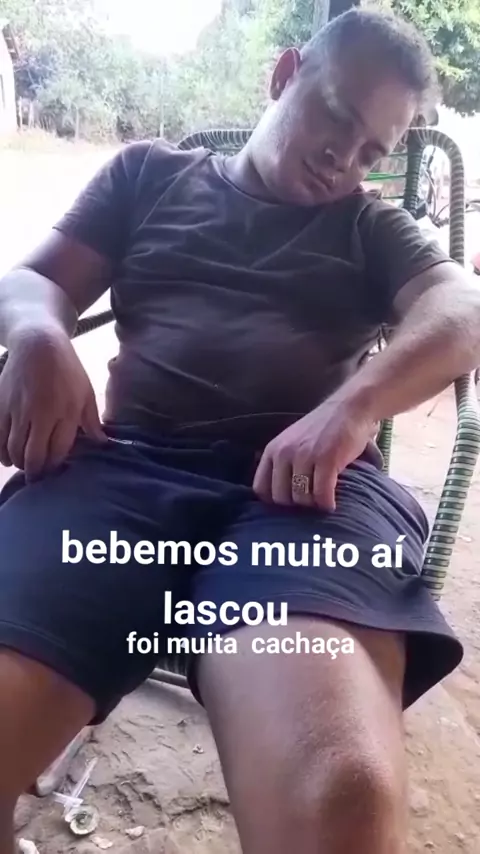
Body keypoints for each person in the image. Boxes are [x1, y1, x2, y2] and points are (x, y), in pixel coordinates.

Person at [0, 8, 479, 854]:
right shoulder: (147, 175)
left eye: (372, 149)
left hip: (303, 501)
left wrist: (351, 408)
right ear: (285, 73)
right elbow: (35, 279)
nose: (344, 159)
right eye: (338, 117)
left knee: (340, 794)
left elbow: (462, 308)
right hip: (122, 479)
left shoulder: (370, 228)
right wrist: (38, 333)